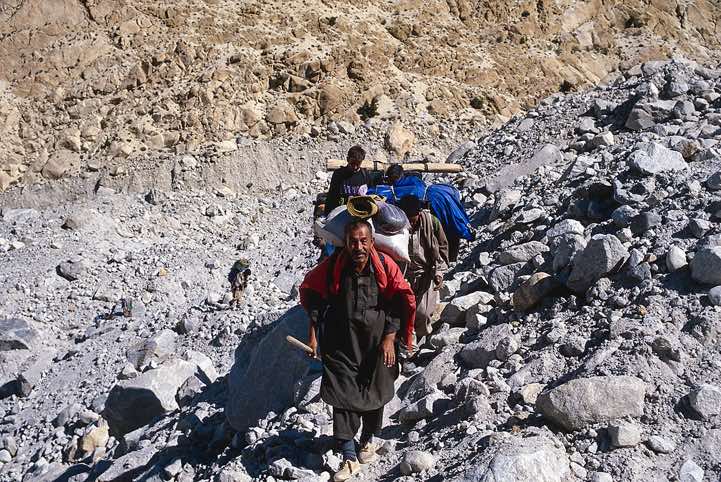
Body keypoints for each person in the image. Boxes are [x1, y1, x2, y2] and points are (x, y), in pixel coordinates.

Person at [299, 220, 416, 481]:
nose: (358, 247)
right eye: (353, 242)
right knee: (341, 395)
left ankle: (367, 440)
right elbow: (315, 300)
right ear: (347, 243)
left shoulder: (384, 267)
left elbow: (399, 303)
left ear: (372, 242)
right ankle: (349, 457)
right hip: (341, 345)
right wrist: (313, 336)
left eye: (363, 241)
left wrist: (389, 338)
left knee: (376, 392)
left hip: (377, 345)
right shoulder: (334, 269)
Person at [398, 195, 449, 342]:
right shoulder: (397, 225)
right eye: (407, 220)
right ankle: (406, 341)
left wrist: (439, 272)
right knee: (403, 311)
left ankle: (421, 341)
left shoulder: (431, 222)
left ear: (419, 214)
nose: (410, 224)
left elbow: (442, 247)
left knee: (423, 313)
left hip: (425, 274)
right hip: (404, 274)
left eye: (412, 220)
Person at [324, 145, 375, 216]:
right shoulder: (339, 174)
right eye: (352, 163)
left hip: (361, 213)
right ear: (348, 159)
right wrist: (327, 214)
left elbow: (371, 194)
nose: (355, 167)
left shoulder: (365, 175)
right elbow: (332, 196)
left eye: (358, 164)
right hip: (342, 212)